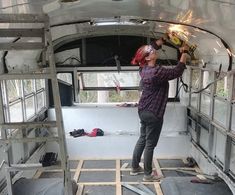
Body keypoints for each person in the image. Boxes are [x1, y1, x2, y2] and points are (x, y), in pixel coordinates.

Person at [130, 36, 189, 182]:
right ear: (148, 58)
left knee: (143, 139)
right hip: (154, 113)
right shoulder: (157, 72)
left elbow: (151, 48)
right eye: (150, 51)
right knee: (150, 144)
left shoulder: (143, 69)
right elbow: (177, 71)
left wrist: (161, 40)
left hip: (143, 111)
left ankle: (135, 167)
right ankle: (148, 175)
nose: (153, 50)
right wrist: (185, 53)